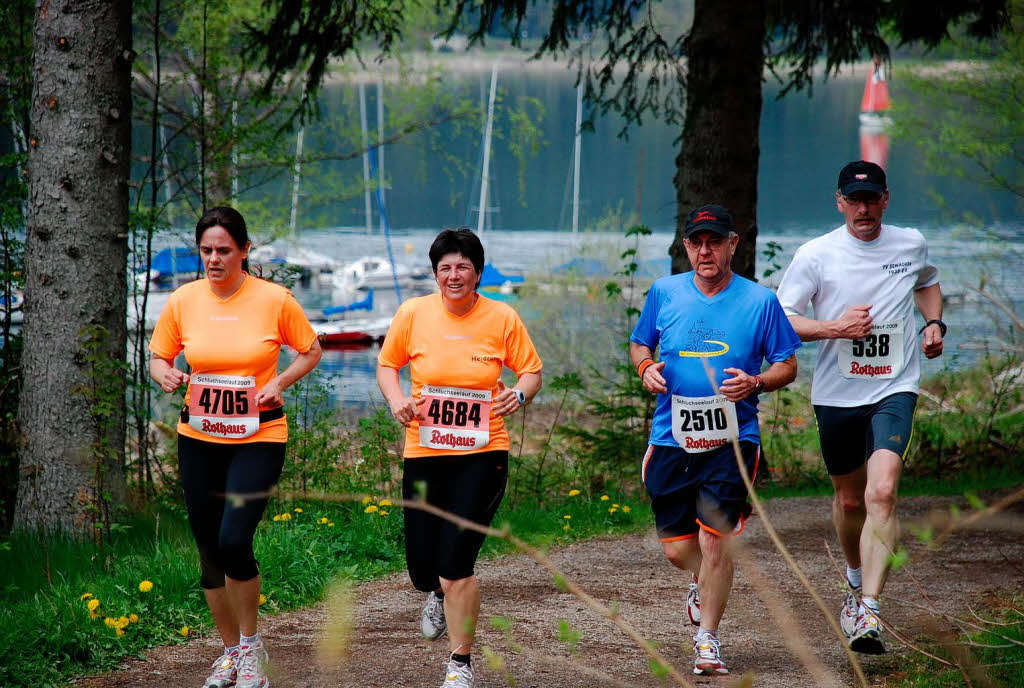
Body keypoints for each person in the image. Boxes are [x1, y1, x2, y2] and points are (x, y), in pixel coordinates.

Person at [775, 160, 944, 654]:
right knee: (850, 502)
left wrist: (934, 324)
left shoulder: (909, 243)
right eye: (854, 199)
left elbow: (928, 281)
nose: (863, 208)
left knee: (883, 493)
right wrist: (835, 327)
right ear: (840, 201)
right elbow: (784, 320)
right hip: (836, 395)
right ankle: (854, 578)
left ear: (886, 200)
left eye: (872, 199)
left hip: (894, 388)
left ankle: (868, 608)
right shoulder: (815, 255)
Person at [149, 207, 322, 688]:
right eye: (206, 250)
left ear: (244, 251)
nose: (214, 259)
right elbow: (158, 357)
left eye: (224, 250)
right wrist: (165, 373)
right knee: (209, 550)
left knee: (233, 540)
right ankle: (229, 653)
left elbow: (310, 349)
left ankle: (251, 650)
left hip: (258, 437)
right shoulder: (183, 300)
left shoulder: (274, 299)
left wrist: (281, 381)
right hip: (199, 437)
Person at [630, 204, 801, 676]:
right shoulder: (664, 292)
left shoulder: (760, 301)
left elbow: (787, 364)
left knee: (715, 540)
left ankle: (707, 639)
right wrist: (646, 367)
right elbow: (640, 342)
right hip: (671, 438)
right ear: (686, 247)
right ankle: (702, 583)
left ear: (732, 244)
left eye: (714, 241)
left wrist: (757, 382)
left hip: (733, 440)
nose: (705, 250)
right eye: (696, 242)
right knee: (677, 549)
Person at [377, 227, 542, 688]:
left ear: (478, 273)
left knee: (457, 562)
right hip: (425, 452)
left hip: (482, 452)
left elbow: (530, 370)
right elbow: (388, 365)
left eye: (463, 267)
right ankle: (434, 591)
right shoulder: (413, 313)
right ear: (435, 274)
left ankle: (460, 663)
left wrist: (519, 395)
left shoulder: (501, 317)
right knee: (422, 568)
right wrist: (396, 401)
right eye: (445, 268)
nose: (454, 275)